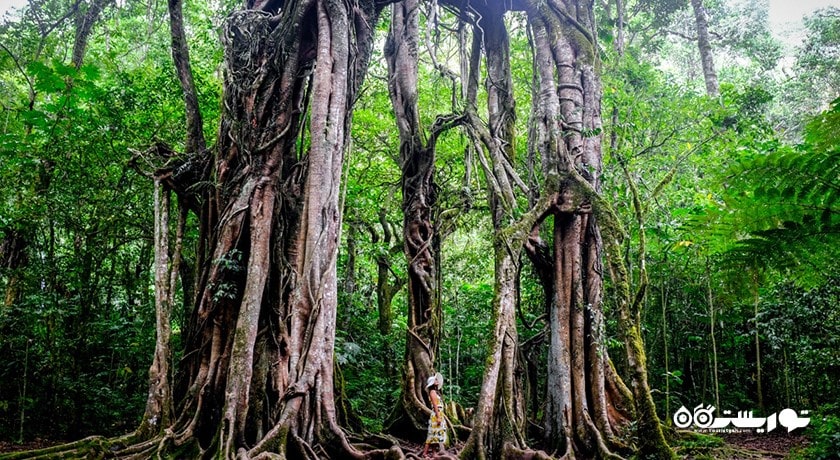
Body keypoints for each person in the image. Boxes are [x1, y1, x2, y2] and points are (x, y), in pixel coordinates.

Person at [422, 372, 447, 458]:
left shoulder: (435, 392)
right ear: (432, 382)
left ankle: (434, 453)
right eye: (436, 380)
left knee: (436, 435)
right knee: (432, 434)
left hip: (439, 413)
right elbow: (435, 405)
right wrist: (438, 417)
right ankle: (425, 453)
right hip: (436, 415)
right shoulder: (432, 392)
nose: (437, 381)